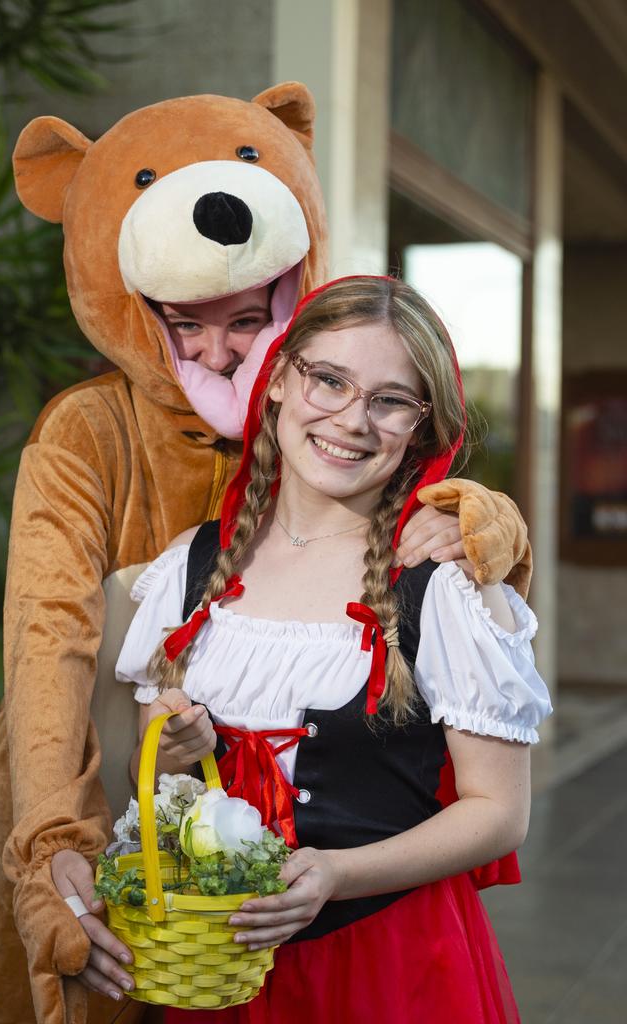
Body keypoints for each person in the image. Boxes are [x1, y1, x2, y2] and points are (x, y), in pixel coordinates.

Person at [111, 275, 552, 1022]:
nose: (352, 420)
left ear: (419, 427)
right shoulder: (193, 565)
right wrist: (175, 746)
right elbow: (151, 783)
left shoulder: (443, 585)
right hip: (213, 971)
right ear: (281, 378)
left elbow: (499, 814)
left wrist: (336, 875)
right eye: (329, 380)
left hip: (387, 963)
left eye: (389, 400)